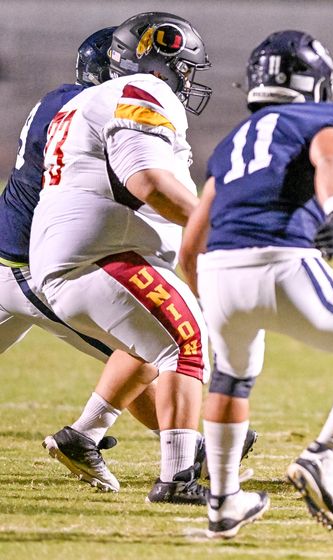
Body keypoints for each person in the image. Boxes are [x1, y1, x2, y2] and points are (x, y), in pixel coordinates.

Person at [180, 30, 333, 537]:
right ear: (315, 82)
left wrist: (211, 300)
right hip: (284, 262)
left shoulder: (231, 143)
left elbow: (190, 245)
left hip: (218, 274)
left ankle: (222, 502)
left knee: (230, 377)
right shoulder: (327, 117)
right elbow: (331, 155)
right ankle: (323, 456)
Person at [29, 12, 215, 504]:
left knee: (148, 347)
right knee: (186, 342)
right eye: (184, 67)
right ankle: (177, 478)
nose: (187, 79)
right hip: (101, 255)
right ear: (159, 60)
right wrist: (217, 227)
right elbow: (146, 181)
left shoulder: (91, 99)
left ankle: (83, 435)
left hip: (79, 257)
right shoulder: (141, 92)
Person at [0, 26, 163, 490]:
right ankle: (194, 444)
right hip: (29, 265)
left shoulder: (59, 100)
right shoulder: (90, 114)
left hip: (11, 250)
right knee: (146, 348)